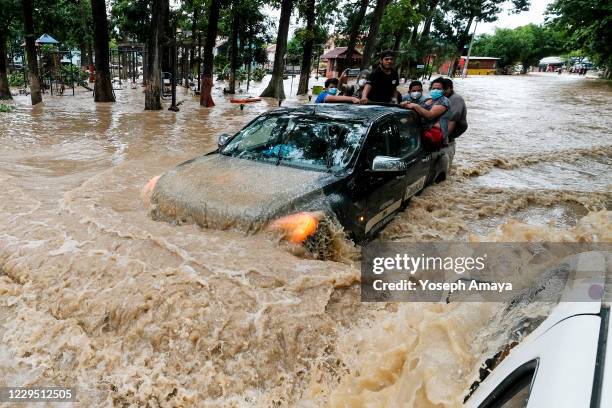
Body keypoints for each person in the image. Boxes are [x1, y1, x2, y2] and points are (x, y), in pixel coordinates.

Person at [400, 77, 450, 145]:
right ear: (430, 89)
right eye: (433, 88)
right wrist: (405, 105)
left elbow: (430, 116)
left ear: (444, 90)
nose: (435, 90)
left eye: (438, 89)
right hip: (419, 134)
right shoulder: (428, 100)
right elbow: (416, 112)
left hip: (433, 137)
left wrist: (415, 106)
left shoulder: (444, 101)